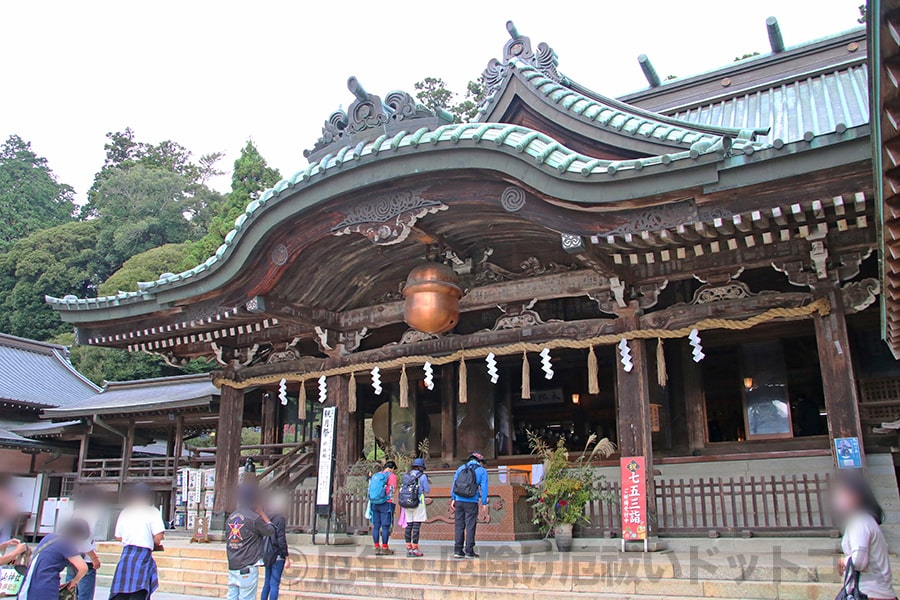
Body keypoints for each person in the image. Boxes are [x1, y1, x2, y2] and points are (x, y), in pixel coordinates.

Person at [834, 472, 897, 600]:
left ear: (856, 497)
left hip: (869, 593)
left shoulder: (859, 522)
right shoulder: (866, 520)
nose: (838, 499)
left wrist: (842, 561)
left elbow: (859, 562)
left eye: (842, 494)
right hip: (878, 592)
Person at [109, 483, 166, 600]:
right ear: (148, 497)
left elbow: (118, 536)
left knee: (121, 591)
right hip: (142, 554)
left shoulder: (126, 511)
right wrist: (154, 542)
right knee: (139, 591)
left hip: (127, 553)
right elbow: (158, 536)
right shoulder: (152, 511)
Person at [19, 518, 90, 599]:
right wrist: (73, 583)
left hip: (30, 580)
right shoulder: (66, 543)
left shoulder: (49, 537)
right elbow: (83, 568)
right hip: (46, 584)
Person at [225, 484, 275, 600]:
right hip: (247, 564)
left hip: (233, 564)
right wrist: (261, 513)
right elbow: (271, 530)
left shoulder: (230, 518)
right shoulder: (254, 519)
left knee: (232, 596)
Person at [66, 486, 104, 600]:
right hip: (84, 558)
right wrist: (94, 558)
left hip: (71, 554)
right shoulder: (92, 514)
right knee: (84, 594)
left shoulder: (76, 512)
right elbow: (84, 537)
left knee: (69, 592)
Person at [450, 452, 489, 559]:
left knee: (459, 525)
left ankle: (458, 550)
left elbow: (455, 483)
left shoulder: (461, 468)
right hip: (472, 501)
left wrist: (453, 498)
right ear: (480, 461)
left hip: (459, 500)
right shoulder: (482, 471)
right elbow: (484, 487)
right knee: (470, 525)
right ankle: (469, 551)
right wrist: (484, 502)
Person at [260, 492, 291, 600]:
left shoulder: (265, 517)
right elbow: (281, 539)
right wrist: (286, 556)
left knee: (267, 583)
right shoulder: (280, 519)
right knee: (274, 584)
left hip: (267, 553)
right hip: (277, 554)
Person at [400, 458, 431, 557]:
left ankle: (408, 548)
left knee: (409, 526)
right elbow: (427, 490)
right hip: (418, 502)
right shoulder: (422, 476)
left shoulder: (406, 475)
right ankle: (415, 548)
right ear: (421, 467)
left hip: (406, 503)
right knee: (416, 526)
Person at [369, 461, 397, 555]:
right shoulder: (391, 476)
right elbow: (392, 489)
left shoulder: (376, 475)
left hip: (374, 502)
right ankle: (385, 548)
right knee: (385, 526)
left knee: (376, 526)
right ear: (392, 468)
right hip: (385, 503)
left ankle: (376, 547)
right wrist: (389, 498)